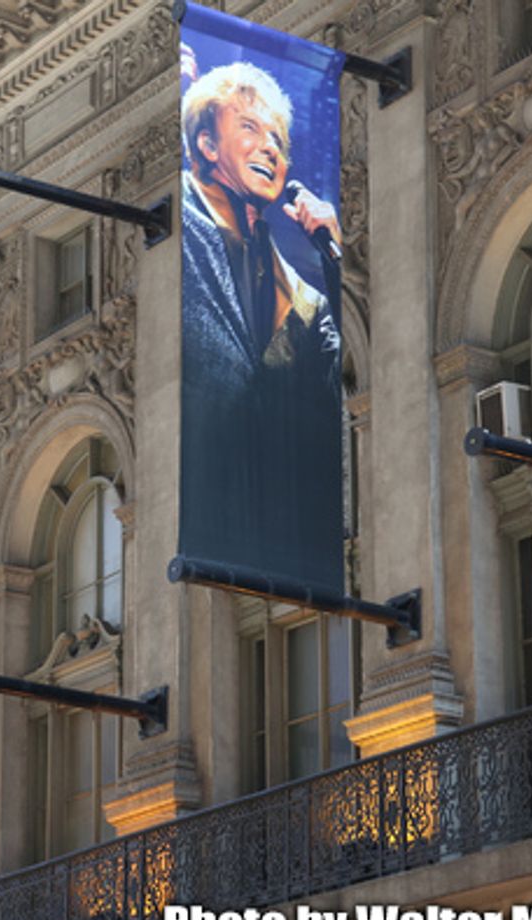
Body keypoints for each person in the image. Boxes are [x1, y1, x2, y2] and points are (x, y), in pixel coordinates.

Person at [179, 60, 344, 582]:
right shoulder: (176, 225)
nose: (271, 147)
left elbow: (351, 371)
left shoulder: (302, 297)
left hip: (282, 528)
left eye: (278, 137)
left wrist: (338, 259)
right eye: (250, 127)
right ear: (207, 145)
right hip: (211, 521)